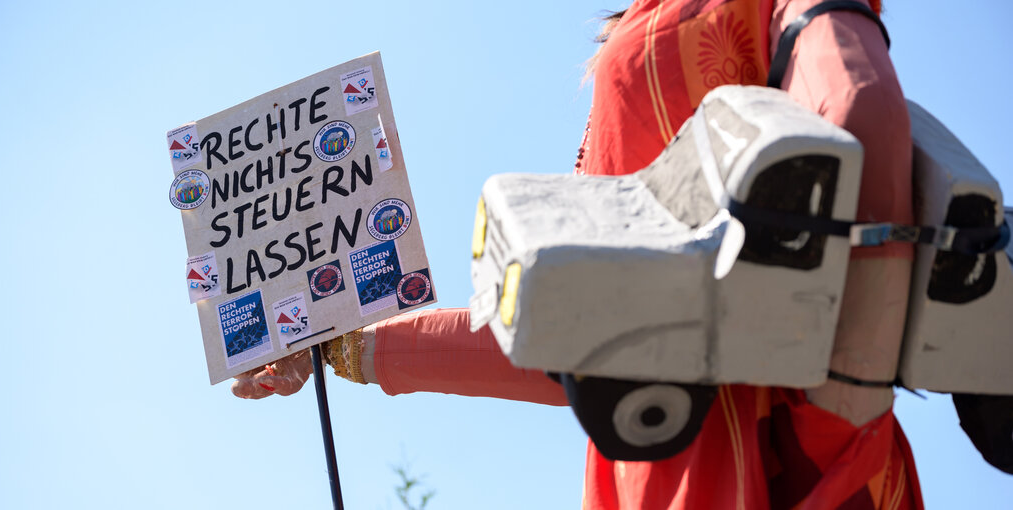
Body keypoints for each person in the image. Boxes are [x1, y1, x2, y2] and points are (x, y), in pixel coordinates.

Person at [232, 1, 924, 507]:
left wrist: (834, 426)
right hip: (653, 464)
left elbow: (862, 116)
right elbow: (567, 334)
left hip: (782, 462)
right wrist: (335, 347)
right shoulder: (637, 37)